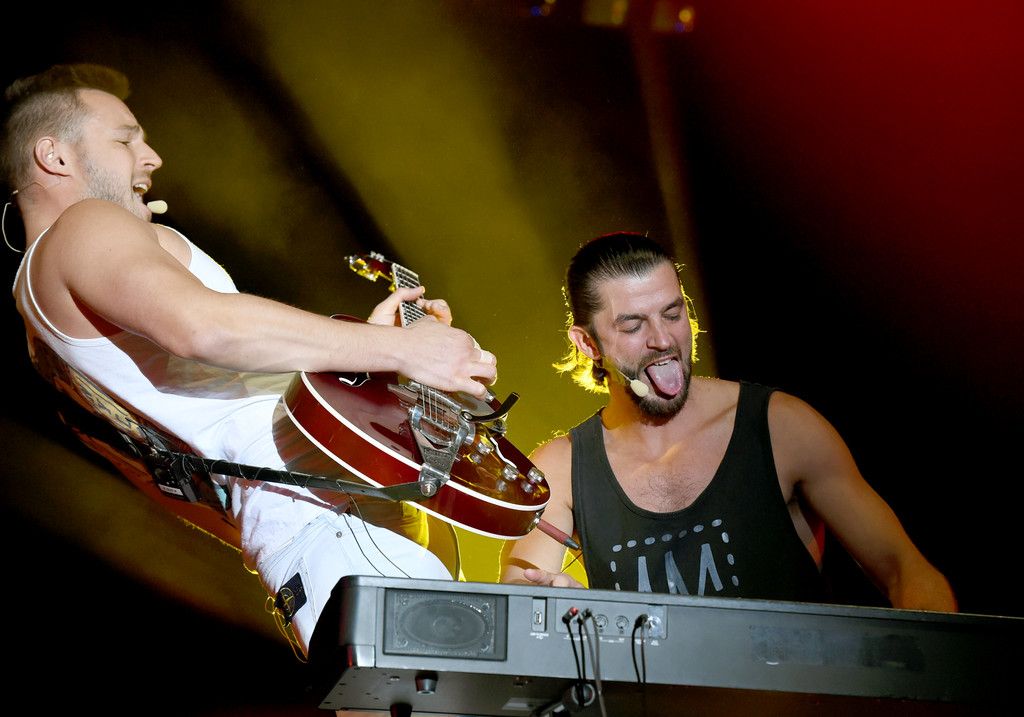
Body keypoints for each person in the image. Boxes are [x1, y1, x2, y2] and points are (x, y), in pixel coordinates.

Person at [3, 63, 499, 657]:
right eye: (125, 139)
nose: (152, 157)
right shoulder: (84, 224)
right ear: (54, 156)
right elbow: (202, 326)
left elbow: (175, 478)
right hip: (333, 518)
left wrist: (367, 358)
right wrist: (403, 348)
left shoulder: (41, 327)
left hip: (317, 529)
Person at [501, 232, 957, 612]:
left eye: (673, 314)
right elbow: (518, 602)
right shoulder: (560, 470)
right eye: (633, 326)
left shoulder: (781, 427)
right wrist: (547, 604)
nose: (663, 339)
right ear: (587, 343)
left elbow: (906, 572)